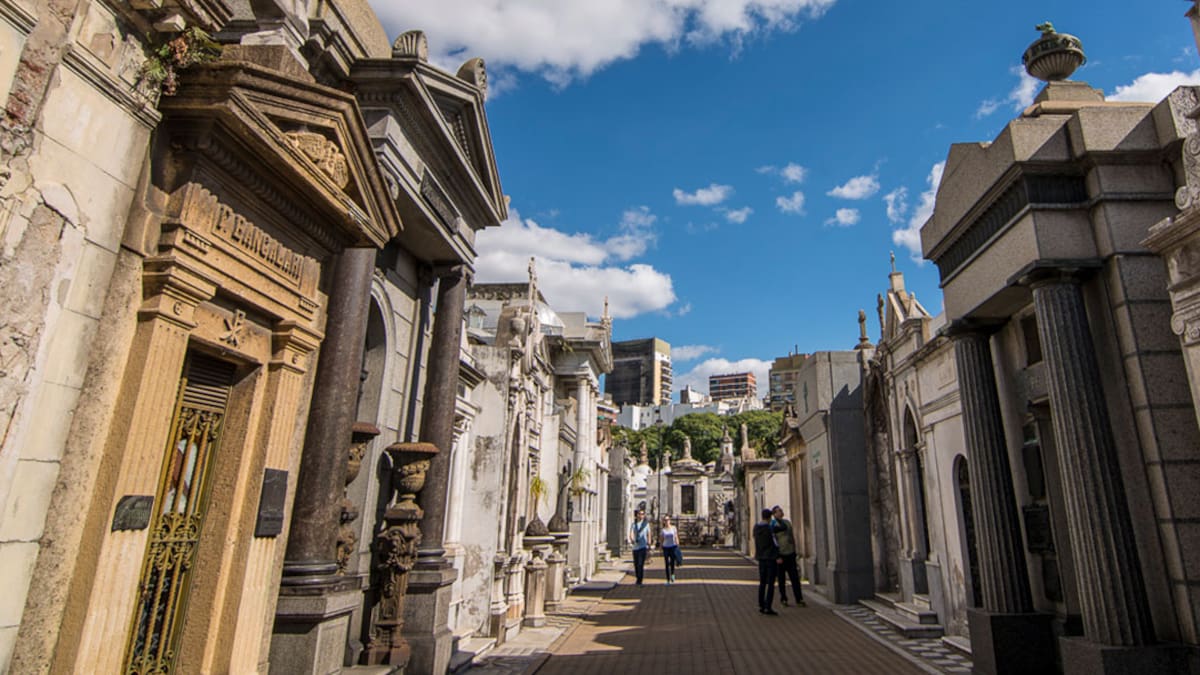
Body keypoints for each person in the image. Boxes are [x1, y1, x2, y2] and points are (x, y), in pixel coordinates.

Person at [772, 505, 805, 607]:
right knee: (781, 579)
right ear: (774, 514)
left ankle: (799, 598)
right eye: (778, 511)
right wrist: (777, 556)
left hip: (790, 553)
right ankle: (783, 598)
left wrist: (795, 550)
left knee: (795, 577)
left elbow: (791, 536)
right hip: (781, 555)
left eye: (781, 510)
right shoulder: (773, 525)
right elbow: (773, 542)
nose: (781, 512)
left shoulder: (787, 522)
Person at [753, 508, 781, 614]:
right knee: (770, 583)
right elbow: (775, 543)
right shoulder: (769, 529)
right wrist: (777, 555)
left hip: (761, 558)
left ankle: (761, 604)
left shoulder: (756, 528)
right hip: (770, 558)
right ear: (769, 518)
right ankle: (768, 606)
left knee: (762, 582)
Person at [628, 509, 652, 585]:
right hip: (635, 547)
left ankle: (640, 579)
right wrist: (632, 539)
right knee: (636, 563)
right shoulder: (634, 524)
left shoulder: (646, 524)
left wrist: (649, 542)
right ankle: (638, 576)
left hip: (643, 546)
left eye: (642, 514)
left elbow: (649, 534)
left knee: (640, 563)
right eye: (639, 514)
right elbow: (631, 533)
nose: (641, 515)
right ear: (637, 515)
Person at [660, 515, 680, 584]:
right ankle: (668, 579)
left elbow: (676, 536)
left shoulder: (673, 528)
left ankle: (672, 574)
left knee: (672, 562)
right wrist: (660, 548)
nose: (667, 521)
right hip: (665, 547)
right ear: (664, 522)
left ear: (670, 521)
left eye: (668, 520)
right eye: (665, 520)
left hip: (673, 546)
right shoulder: (663, 530)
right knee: (666, 563)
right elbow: (662, 539)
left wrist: (677, 543)